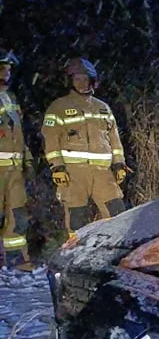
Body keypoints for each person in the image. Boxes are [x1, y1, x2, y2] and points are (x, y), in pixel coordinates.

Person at [42, 58, 128, 237]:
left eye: (85, 79)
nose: (82, 83)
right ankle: (75, 258)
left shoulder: (103, 107)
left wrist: (119, 163)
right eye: (77, 79)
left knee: (118, 215)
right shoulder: (58, 107)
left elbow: (114, 139)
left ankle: (117, 255)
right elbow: (50, 140)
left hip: (103, 173)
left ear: (92, 81)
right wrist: (57, 167)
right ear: (70, 81)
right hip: (74, 173)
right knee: (77, 219)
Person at [0, 49, 34, 270]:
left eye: (8, 70)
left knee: (18, 217)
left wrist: (28, 160)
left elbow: (19, 133)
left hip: (14, 170)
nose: (6, 74)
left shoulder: (11, 98)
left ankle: (17, 264)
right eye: (2, 69)